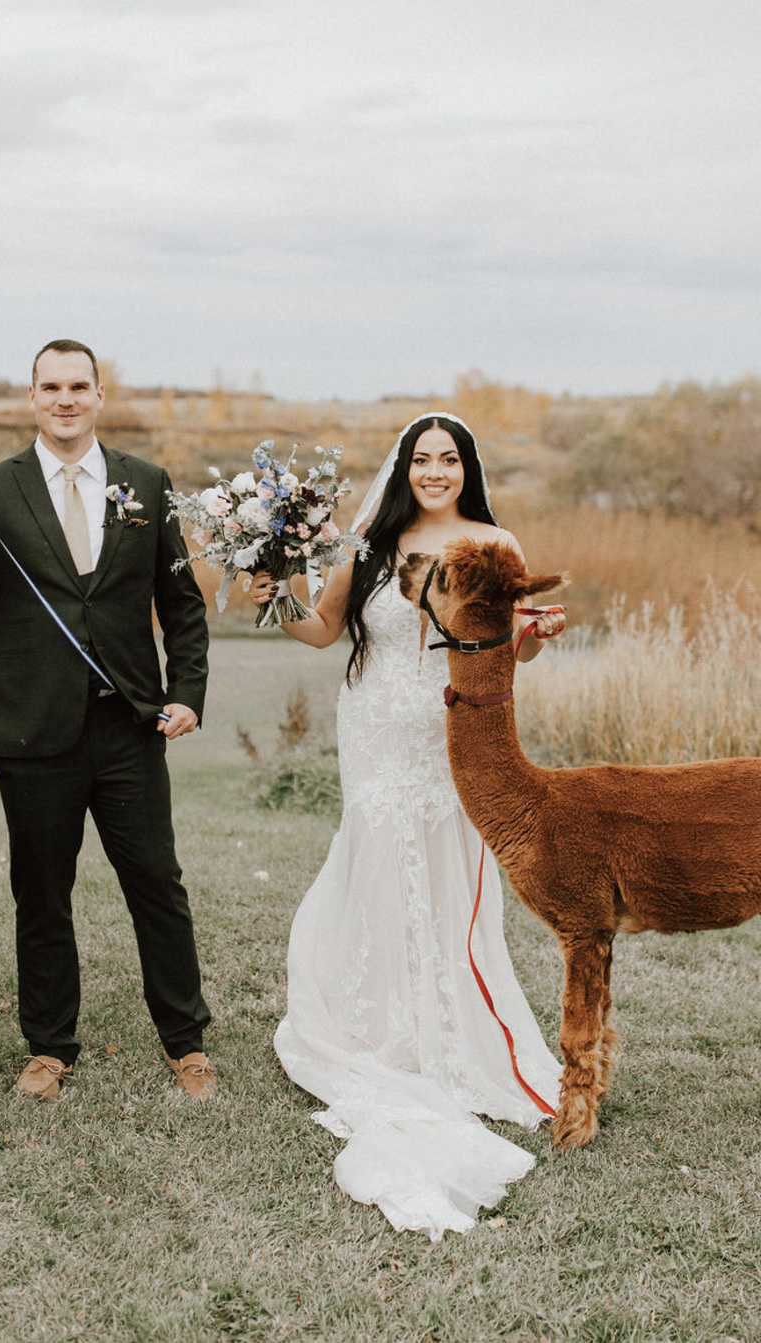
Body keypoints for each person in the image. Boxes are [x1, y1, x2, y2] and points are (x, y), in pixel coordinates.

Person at [249, 413, 564, 1238]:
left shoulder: (496, 540)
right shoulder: (371, 541)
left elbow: (511, 645)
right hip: (375, 728)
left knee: (451, 866)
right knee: (377, 859)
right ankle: (379, 1023)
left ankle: (453, 1025)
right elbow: (321, 631)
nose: (434, 471)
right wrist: (272, 590)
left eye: (447, 459)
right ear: (403, 468)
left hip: (452, 730)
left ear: (467, 468)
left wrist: (536, 636)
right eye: (421, 459)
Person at [0, 339, 215, 1101]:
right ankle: (49, 1048)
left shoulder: (146, 482)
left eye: (80, 385)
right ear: (33, 397)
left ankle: (187, 1044)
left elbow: (182, 606)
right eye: (52, 387)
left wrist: (188, 692)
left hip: (129, 725)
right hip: (31, 729)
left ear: (101, 394)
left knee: (157, 883)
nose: (66, 398)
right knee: (42, 890)